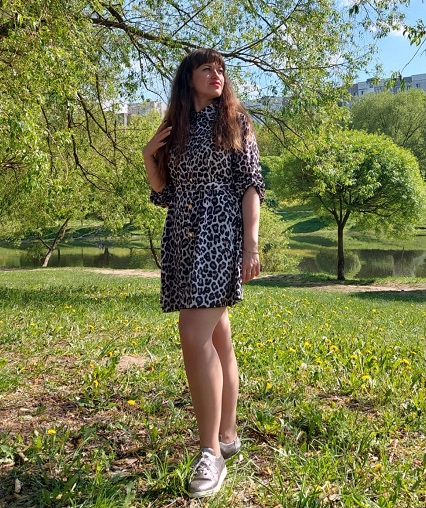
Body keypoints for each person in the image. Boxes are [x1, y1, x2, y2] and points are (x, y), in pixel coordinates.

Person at [142, 48, 264, 499]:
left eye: (221, 69)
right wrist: (149, 157)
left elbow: (251, 185)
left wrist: (251, 245)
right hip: (183, 236)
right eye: (207, 68)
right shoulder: (176, 126)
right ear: (188, 77)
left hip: (220, 233)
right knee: (217, 337)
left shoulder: (235, 121)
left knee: (193, 335)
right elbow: (165, 193)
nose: (217, 75)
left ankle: (210, 451)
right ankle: (227, 436)